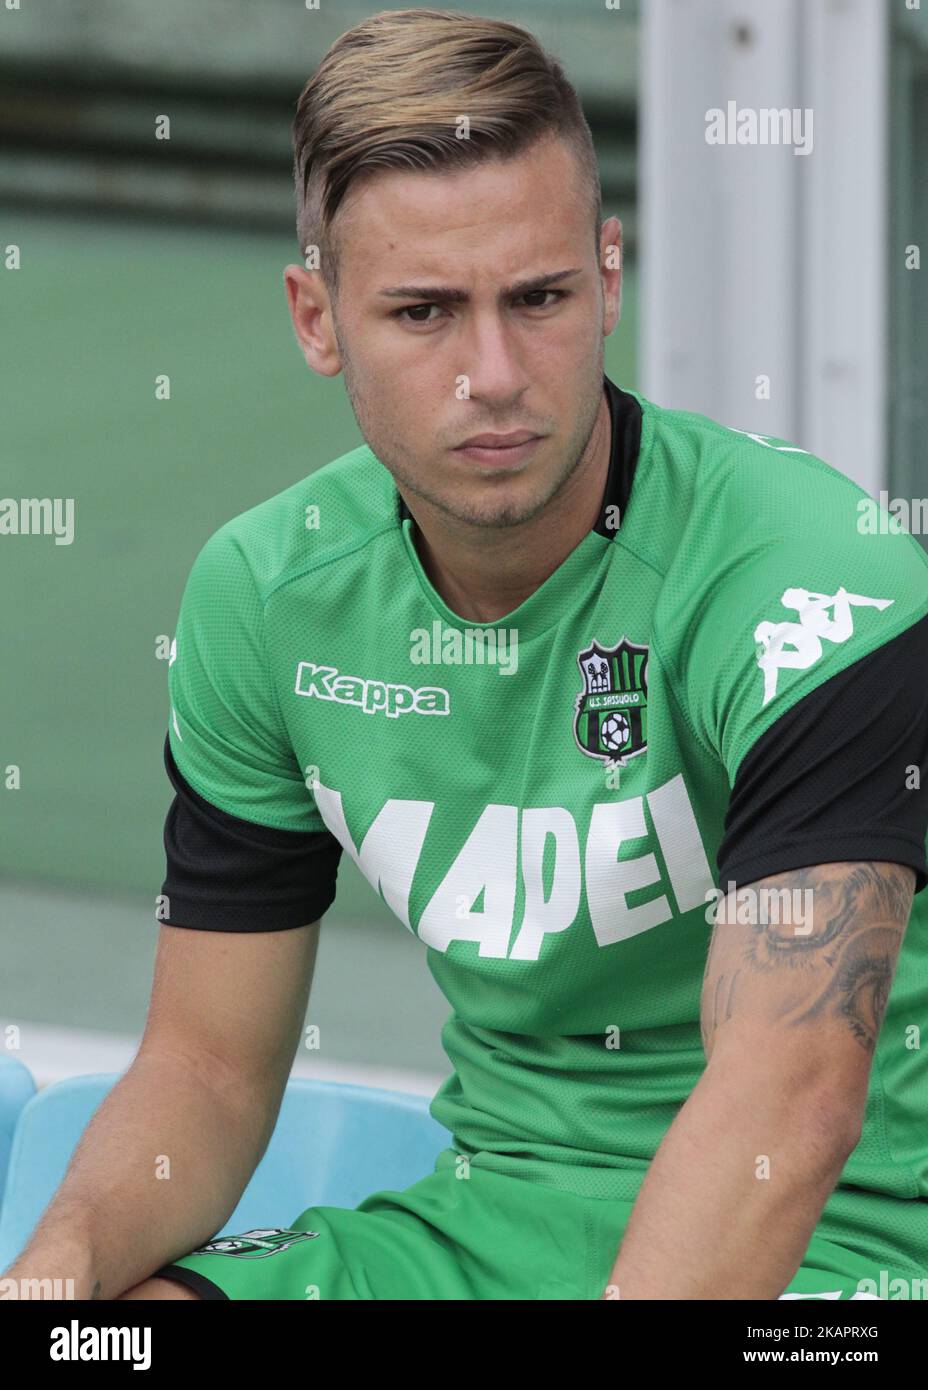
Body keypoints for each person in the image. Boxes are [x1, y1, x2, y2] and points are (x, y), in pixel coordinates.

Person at [6, 7, 927, 1302]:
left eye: (539, 298)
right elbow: (208, 1069)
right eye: (424, 311)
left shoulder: (809, 575)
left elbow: (792, 1106)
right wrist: (56, 1274)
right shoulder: (268, 594)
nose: (494, 373)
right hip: (495, 1220)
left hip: (848, 1245)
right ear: (317, 320)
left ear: (610, 278)